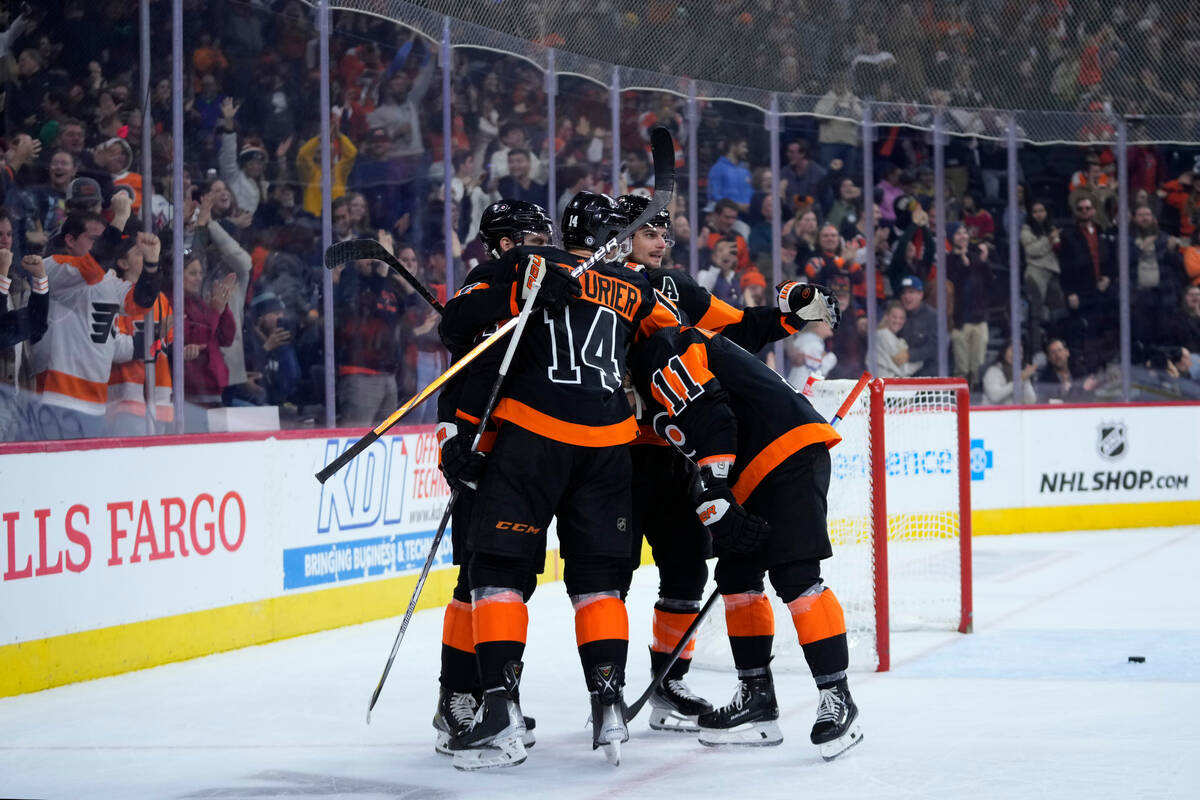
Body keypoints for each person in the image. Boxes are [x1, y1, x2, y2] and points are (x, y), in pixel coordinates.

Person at [437, 191, 680, 769]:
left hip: (526, 442)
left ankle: (497, 707)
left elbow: (456, 329)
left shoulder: (528, 267)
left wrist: (458, 435)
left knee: (493, 574)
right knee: (596, 582)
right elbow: (674, 339)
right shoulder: (633, 285)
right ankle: (606, 703)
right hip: (608, 445)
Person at [613, 193, 825, 732]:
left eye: (666, 233)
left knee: (685, 570)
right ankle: (605, 686)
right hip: (612, 453)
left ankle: (667, 684)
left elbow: (736, 329)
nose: (663, 242)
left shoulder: (675, 288)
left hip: (682, 453)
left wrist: (789, 316)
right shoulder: (595, 290)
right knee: (606, 578)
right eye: (650, 233)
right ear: (618, 239)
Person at [627, 304, 862, 761]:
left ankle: (838, 698)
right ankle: (757, 698)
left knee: (797, 579)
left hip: (784, 456)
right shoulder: (649, 356)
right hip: (747, 472)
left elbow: (713, 416)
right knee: (737, 582)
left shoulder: (663, 346)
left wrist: (712, 490)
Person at [432, 200, 553, 758]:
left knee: (511, 581)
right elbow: (454, 339)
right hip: (481, 448)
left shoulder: (544, 288)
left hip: (524, 451)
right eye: (535, 233)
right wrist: (451, 438)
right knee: (474, 578)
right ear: (506, 243)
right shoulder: (489, 277)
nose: (547, 239)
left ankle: (495, 694)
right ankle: (456, 696)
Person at [31, 199, 160, 439]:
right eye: (94, 239)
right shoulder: (53, 268)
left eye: (103, 238)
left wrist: (151, 265)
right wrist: (119, 218)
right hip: (56, 397)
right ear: (70, 240)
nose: (102, 245)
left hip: (97, 403)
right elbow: (93, 265)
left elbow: (141, 302)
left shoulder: (109, 280)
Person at [946, 226, 992, 387]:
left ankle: (976, 403)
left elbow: (989, 283)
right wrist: (964, 267)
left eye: (964, 232)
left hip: (979, 317)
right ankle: (960, 402)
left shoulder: (976, 257)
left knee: (977, 366)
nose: (962, 236)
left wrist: (985, 262)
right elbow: (953, 286)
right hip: (960, 321)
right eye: (957, 233)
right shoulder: (949, 260)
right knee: (962, 367)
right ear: (952, 238)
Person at [1021, 201, 1065, 357]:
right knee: (1036, 315)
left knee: (1058, 312)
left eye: (1042, 210)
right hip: (1035, 272)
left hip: (1052, 272)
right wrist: (1048, 240)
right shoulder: (1026, 230)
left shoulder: (1051, 228)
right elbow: (1032, 250)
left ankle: (1057, 349)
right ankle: (1037, 352)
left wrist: (1053, 240)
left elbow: (1058, 247)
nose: (1039, 214)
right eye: (1036, 211)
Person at [0, 248, 48, 348]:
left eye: (9, 234)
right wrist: (2, 272)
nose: (4, 240)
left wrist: (39, 276)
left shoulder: (17, 282)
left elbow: (35, 324)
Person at [897, 276, 937, 377]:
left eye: (911, 292)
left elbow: (935, 347)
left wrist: (909, 355)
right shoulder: (897, 314)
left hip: (929, 376)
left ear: (921, 295)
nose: (906, 296)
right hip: (902, 373)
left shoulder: (933, 316)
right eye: (904, 293)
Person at [1036, 338, 1098, 403]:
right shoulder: (1044, 379)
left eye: (1060, 350)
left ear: (1067, 352)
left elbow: (1090, 398)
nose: (1057, 355)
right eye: (1053, 352)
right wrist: (1061, 391)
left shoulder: (1080, 372)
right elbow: (1043, 401)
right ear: (1049, 358)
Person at [707, 136, 752, 211]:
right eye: (743, 147)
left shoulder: (745, 171)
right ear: (733, 146)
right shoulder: (717, 169)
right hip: (726, 216)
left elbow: (751, 193)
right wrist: (735, 206)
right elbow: (715, 195)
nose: (746, 150)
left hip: (748, 216)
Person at [875, 301, 918, 378]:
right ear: (887, 317)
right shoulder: (884, 334)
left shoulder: (891, 336)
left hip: (889, 382)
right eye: (894, 317)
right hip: (884, 382)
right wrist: (923, 360)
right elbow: (900, 362)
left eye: (901, 318)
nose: (898, 321)